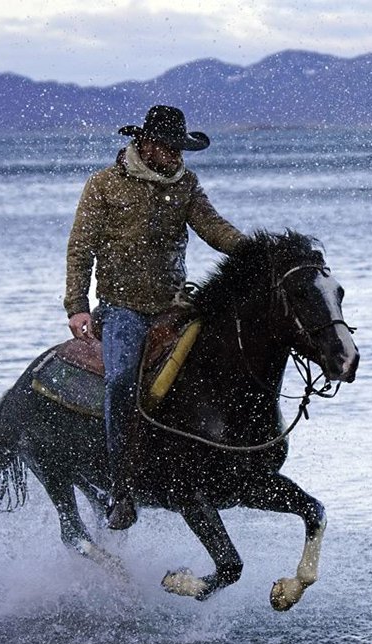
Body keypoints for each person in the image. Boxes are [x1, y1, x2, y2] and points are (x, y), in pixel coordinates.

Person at [65, 105, 244, 530]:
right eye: (170, 148)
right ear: (147, 145)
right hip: (122, 308)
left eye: (181, 148)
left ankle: (207, 458)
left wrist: (253, 251)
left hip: (173, 303)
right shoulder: (104, 185)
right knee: (123, 380)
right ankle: (121, 486)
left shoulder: (185, 185)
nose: (178, 156)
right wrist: (77, 306)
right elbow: (80, 248)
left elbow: (214, 227)